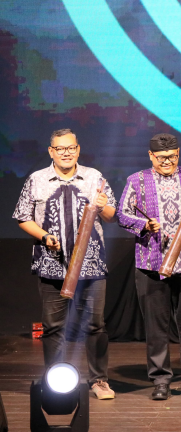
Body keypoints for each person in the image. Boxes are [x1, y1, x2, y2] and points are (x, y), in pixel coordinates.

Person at [13, 128, 117, 400]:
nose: (66, 153)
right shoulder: (37, 179)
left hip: (91, 267)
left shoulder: (94, 177)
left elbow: (111, 216)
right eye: (60, 148)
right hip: (52, 266)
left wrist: (104, 205)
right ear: (51, 152)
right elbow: (23, 217)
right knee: (53, 327)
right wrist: (44, 236)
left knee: (95, 325)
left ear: (78, 149)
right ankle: (55, 380)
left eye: (71, 148)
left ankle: (99, 381)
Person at [117, 133, 181, 401]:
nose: (167, 162)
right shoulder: (136, 180)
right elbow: (122, 214)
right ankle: (161, 380)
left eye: (172, 157)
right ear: (151, 156)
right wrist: (144, 224)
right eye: (161, 157)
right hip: (151, 263)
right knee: (156, 328)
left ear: (179, 154)